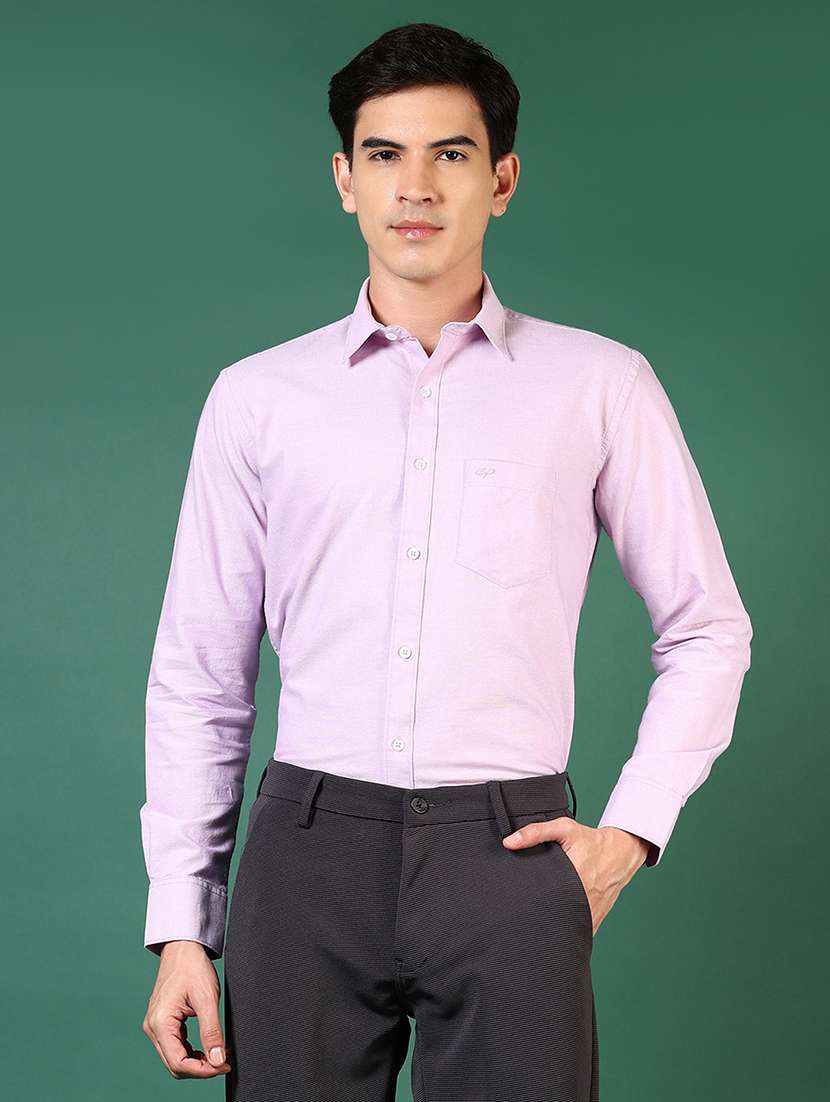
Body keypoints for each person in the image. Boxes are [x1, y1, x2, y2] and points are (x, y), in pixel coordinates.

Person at [139, 21, 753, 1102]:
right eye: (384, 154)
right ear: (344, 179)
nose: (414, 187)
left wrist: (630, 831)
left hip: (510, 853)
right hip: (306, 856)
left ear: (501, 180)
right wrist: (184, 923)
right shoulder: (257, 398)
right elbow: (200, 675)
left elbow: (707, 628)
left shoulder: (599, 385)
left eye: (451, 154)